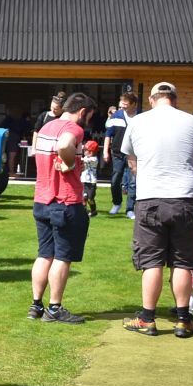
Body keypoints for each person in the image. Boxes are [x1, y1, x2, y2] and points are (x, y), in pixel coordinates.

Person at [120, 82, 193, 339]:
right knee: (183, 261)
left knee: (151, 261)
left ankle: (147, 318)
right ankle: (183, 319)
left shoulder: (137, 122)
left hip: (150, 198)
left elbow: (131, 161)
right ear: (175, 100)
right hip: (184, 198)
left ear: (151, 99)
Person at [29, 92, 96, 324]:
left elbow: (37, 151)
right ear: (82, 112)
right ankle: (55, 308)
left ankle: (36, 305)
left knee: (44, 254)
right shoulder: (74, 128)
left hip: (41, 199)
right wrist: (68, 161)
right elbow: (65, 144)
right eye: (89, 116)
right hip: (65, 202)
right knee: (62, 256)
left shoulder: (47, 126)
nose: (88, 121)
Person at [104, 92, 138, 218]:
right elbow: (108, 134)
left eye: (126, 104)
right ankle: (116, 203)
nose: (123, 106)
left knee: (133, 182)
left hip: (134, 154)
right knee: (115, 180)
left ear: (134, 104)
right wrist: (105, 151)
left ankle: (130, 209)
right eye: (122, 103)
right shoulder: (116, 116)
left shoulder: (140, 117)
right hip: (117, 153)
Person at [81, 140, 100, 216]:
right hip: (84, 180)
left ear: (91, 152)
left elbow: (84, 160)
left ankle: (93, 210)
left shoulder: (94, 159)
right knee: (84, 197)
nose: (84, 151)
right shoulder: (86, 157)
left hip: (91, 182)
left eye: (86, 150)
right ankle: (83, 212)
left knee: (90, 199)